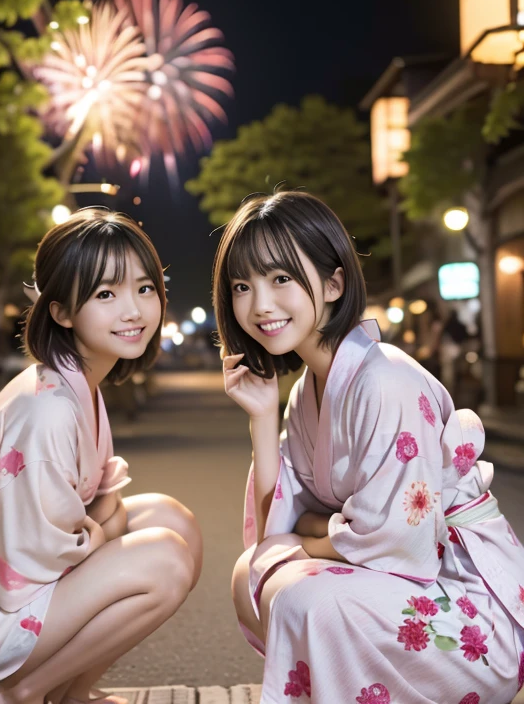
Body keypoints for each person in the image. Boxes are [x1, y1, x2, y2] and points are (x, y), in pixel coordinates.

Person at [215, 191, 524, 704]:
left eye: (282, 278)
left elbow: (394, 540)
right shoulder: (305, 394)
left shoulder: (385, 380)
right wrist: (263, 417)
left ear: (334, 282)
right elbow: (277, 525)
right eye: (242, 285)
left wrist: (306, 538)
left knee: (303, 596)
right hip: (407, 585)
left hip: (470, 608)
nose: (260, 304)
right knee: (254, 570)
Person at [0, 209, 202, 704]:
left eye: (144, 288)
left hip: (11, 579)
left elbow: (100, 501)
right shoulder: (46, 409)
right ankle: (18, 694)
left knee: (175, 520)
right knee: (166, 560)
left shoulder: (78, 383)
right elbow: (36, 564)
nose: (133, 310)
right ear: (61, 311)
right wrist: (103, 530)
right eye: (106, 294)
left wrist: (102, 523)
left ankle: (70, 694)